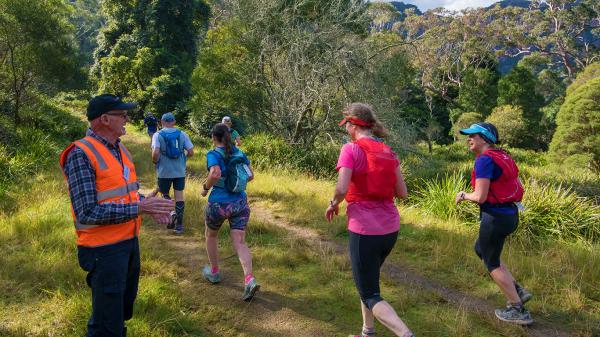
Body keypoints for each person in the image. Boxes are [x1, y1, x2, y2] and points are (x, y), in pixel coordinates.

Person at [59, 94, 174, 337]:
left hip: (128, 244)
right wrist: (140, 209)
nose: (127, 118)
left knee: (119, 313)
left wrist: (147, 204)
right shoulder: (80, 154)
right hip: (103, 251)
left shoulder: (120, 149)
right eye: (122, 114)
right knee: (106, 323)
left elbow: (125, 194)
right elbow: (87, 211)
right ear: (104, 119)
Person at [325, 103, 414, 337]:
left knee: (370, 294)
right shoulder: (387, 151)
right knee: (368, 283)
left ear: (353, 125)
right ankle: (367, 332)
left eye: (347, 125)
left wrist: (334, 203)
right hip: (390, 230)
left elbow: (342, 188)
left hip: (365, 231)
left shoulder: (350, 149)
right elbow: (403, 193)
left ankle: (406, 334)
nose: (347, 130)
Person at [456, 122, 533, 325]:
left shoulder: (484, 161)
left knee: (492, 262)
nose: (468, 138)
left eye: (472, 135)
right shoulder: (503, 156)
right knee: (481, 248)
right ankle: (517, 290)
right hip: (510, 213)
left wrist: (463, 195)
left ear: (484, 138)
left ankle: (518, 309)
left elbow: (480, 197)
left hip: (495, 217)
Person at [200, 123, 259, 301]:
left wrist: (205, 188)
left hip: (219, 204)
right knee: (240, 242)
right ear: (229, 135)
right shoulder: (239, 153)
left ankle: (215, 272)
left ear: (213, 137)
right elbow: (250, 175)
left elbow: (215, 173)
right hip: (240, 203)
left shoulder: (213, 154)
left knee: (211, 235)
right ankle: (249, 279)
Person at [151, 112, 194, 234]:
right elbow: (191, 152)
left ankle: (171, 213)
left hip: (164, 170)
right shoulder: (182, 134)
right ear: (174, 122)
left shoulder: (157, 135)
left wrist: (156, 162)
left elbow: (155, 154)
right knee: (179, 196)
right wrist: (183, 158)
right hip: (179, 170)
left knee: (164, 193)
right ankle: (179, 225)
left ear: (162, 122)